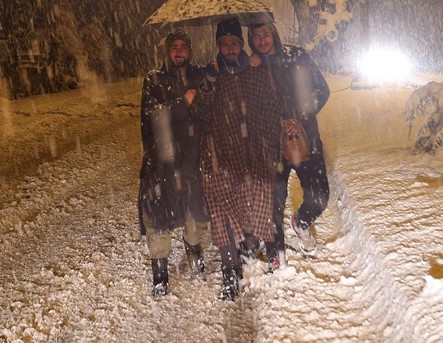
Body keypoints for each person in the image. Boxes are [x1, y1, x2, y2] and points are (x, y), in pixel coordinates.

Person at [189, 17, 283, 300]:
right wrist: (209, 83)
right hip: (219, 156)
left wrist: (268, 145)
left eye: (234, 42)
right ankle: (230, 271)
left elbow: (270, 106)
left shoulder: (255, 70)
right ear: (218, 46)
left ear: (241, 44)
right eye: (224, 43)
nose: (229, 48)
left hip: (253, 154)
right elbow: (201, 113)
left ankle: (251, 249)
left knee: (254, 207)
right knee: (221, 216)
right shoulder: (211, 74)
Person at [248, 20, 330, 265]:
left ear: (273, 32)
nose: (262, 40)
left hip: (306, 139)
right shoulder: (252, 66)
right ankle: (276, 256)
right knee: (273, 201)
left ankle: (301, 222)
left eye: (265, 34)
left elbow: (321, 90)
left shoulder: (296, 56)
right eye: (256, 37)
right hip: (271, 145)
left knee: (319, 196)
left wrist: (300, 117)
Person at [137, 30, 211, 297]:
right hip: (162, 160)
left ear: (190, 50)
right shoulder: (153, 79)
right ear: (167, 51)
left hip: (192, 158)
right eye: (174, 48)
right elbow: (153, 117)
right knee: (158, 217)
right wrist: (183, 103)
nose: (179, 52)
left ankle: (192, 246)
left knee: (196, 213)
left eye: (183, 47)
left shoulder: (199, 75)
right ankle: (160, 270)